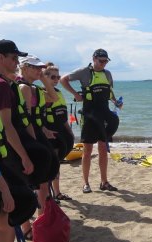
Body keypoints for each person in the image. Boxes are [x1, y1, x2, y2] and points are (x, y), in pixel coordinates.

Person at [0, 39, 39, 242]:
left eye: (18, 57)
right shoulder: (0, 85)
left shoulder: (1, 84)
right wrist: (25, 156)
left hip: (0, 156)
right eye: (13, 57)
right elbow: (7, 127)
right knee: (4, 216)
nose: (17, 62)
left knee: (5, 215)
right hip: (4, 157)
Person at [60, 48, 122, 193]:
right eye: (101, 61)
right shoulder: (84, 72)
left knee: (102, 148)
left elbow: (110, 91)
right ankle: (86, 183)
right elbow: (63, 80)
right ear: (94, 59)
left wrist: (116, 102)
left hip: (104, 113)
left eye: (106, 61)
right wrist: (75, 94)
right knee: (87, 150)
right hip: (89, 114)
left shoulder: (107, 74)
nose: (103, 64)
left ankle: (104, 182)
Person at [16, 54, 60, 214]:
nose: (39, 70)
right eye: (35, 67)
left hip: (37, 132)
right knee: (39, 178)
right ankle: (40, 216)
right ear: (24, 68)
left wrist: (43, 79)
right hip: (29, 136)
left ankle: (42, 213)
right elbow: (26, 119)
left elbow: (54, 97)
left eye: (40, 67)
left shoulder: (34, 88)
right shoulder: (24, 88)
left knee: (44, 177)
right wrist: (34, 141)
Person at [43, 62, 75, 201]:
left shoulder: (59, 93)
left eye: (58, 77)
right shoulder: (43, 94)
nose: (56, 80)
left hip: (61, 132)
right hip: (50, 134)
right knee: (51, 165)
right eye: (53, 77)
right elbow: (39, 118)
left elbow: (63, 116)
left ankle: (57, 192)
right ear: (45, 77)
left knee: (57, 165)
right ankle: (49, 194)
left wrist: (69, 132)